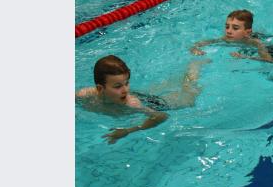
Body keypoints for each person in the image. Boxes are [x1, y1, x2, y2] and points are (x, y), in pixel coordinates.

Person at [76, 55, 209, 144]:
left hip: (160, 104)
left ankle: (196, 65)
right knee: (164, 86)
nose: (125, 90)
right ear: (100, 88)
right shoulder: (84, 95)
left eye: (127, 83)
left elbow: (162, 116)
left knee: (190, 92)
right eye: (118, 86)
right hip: (142, 96)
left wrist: (128, 130)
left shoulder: (132, 103)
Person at [190, 10, 273, 63]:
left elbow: (269, 60)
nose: (229, 31)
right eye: (227, 26)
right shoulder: (226, 38)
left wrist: (245, 57)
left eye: (235, 28)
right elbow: (201, 43)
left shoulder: (256, 43)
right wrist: (195, 49)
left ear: (247, 32)